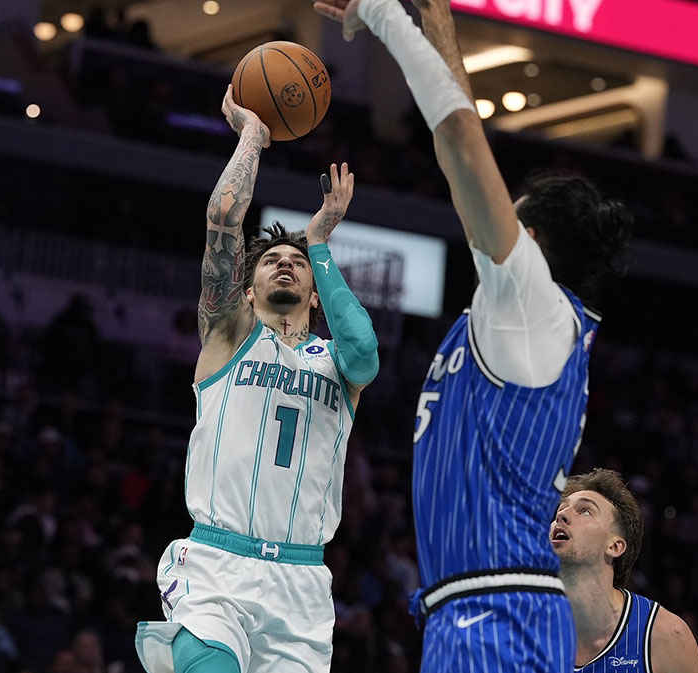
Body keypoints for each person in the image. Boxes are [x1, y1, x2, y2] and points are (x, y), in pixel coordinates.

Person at [314, 0, 632, 669]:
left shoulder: (532, 303)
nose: (480, 221)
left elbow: (462, 145)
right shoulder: (519, 314)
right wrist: (440, 31)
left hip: (502, 614)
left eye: (506, 220)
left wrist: (383, 15)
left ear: (531, 241)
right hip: (476, 611)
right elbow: (465, 149)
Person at [134, 85, 380, 673]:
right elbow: (223, 218)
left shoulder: (338, 365)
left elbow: (366, 352)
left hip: (301, 581)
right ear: (246, 291)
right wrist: (253, 135)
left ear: (317, 293)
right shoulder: (229, 337)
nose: (285, 263)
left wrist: (318, 241)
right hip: (218, 564)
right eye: (271, 260)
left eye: (296, 262)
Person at [554, 468, 698, 672]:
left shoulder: (664, 638)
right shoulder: (517, 630)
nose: (561, 515)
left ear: (615, 546)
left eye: (585, 511)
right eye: (560, 510)